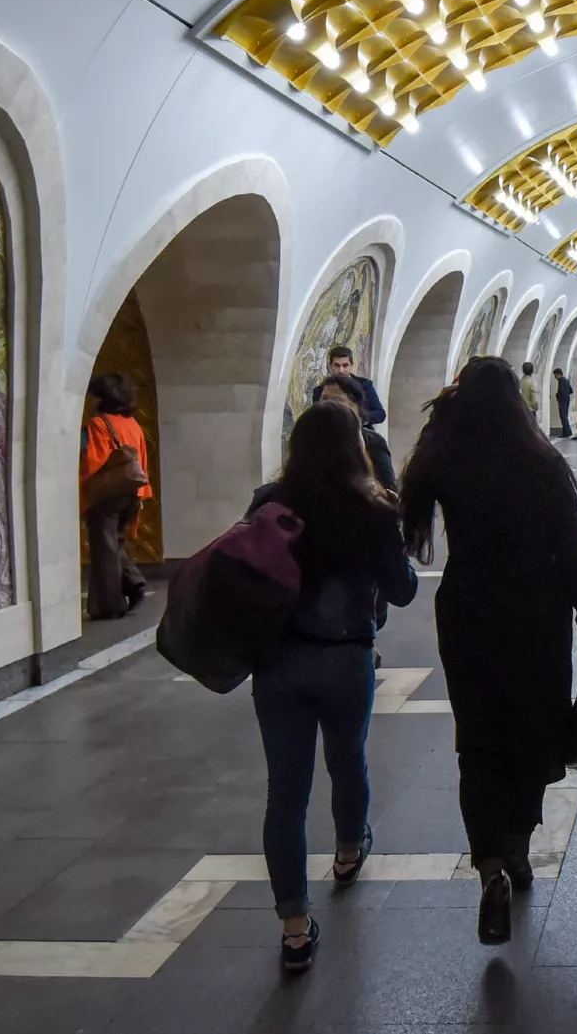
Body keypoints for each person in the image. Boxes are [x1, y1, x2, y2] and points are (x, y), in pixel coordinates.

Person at [401, 357, 577, 945]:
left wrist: (442, 414)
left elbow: (408, 511)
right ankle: (516, 847)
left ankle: (489, 863)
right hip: (535, 615)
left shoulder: (446, 457)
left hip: (467, 609)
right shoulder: (541, 462)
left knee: (479, 736)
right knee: (532, 728)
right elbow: (571, 553)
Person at [247, 399, 417, 973]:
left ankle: (295, 927)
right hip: (345, 657)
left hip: (276, 663)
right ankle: (348, 852)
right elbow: (403, 591)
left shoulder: (270, 502)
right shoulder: (371, 506)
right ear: (356, 448)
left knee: (285, 794)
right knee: (348, 761)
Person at [79, 373, 151, 620]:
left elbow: (91, 461)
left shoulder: (99, 424)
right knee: (114, 543)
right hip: (132, 492)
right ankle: (133, 582)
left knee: (103, 547)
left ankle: (111, 605)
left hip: (107, 493)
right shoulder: (133, 425)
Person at [312, 374, 398, 491]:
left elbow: (389, 490)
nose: (328, 407)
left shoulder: (373, 442)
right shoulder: (311, 439)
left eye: (336, 401)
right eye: (324, 400)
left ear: (355, 407)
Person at [310, 345, 386, 428]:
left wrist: (359, 418)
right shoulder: (320, 391)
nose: (341, 370)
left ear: (352, 366)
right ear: (330, 366)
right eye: (337, 365)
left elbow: (380, 414)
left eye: (345, 365)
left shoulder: (365, 385)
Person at [552, 367, 574, 439]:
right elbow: (571, 390)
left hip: (562, 401)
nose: (555, 377)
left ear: (558, 374)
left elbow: (560, 391)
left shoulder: (561, 381)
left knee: (563, 417)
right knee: (565, 416)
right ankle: (567, 432)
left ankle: (566, 432)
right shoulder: (566, 380)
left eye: (555, 375)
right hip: (567, 400)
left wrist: (557, 395)